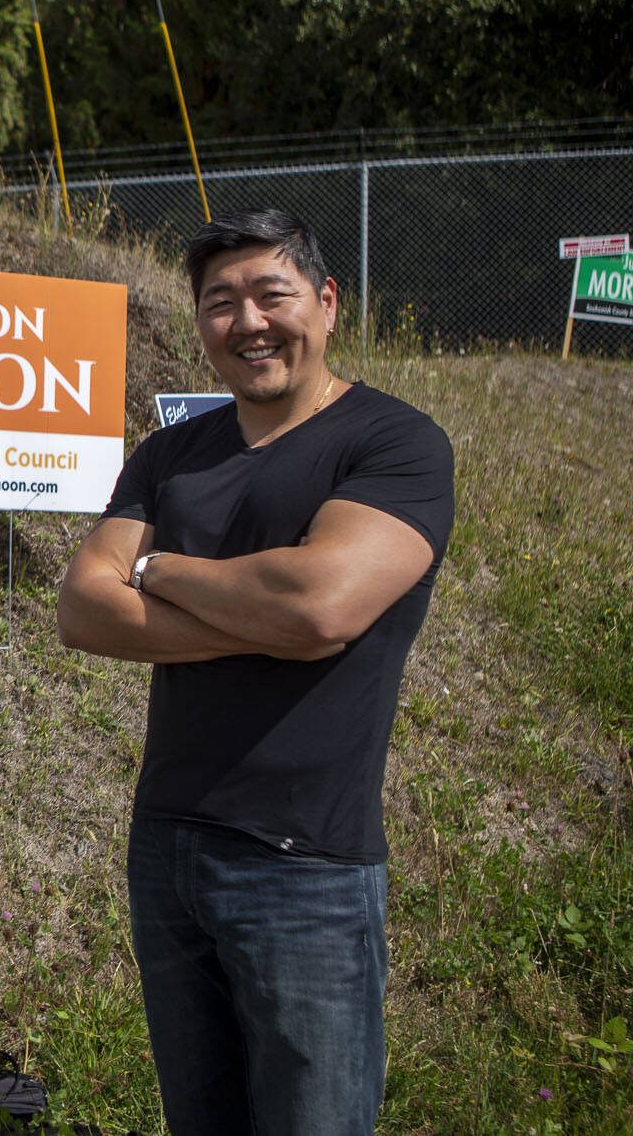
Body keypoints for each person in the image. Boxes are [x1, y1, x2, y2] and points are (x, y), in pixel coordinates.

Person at [57, 207, 454, 1135]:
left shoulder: (393, 444)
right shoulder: (171, 454)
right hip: (167, 843)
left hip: (303, 860)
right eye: (219, 302)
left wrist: (157, 570)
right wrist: (266, 622)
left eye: (271, 294)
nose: (248, 322)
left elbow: (320, 603)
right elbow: (82, 606)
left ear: (325, 302)